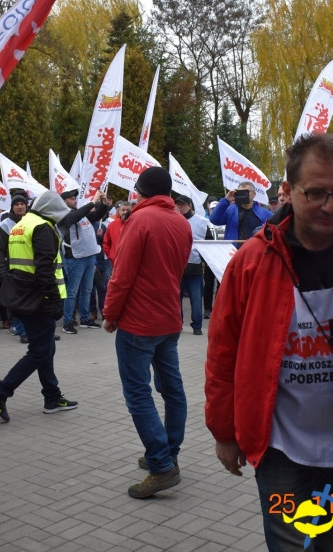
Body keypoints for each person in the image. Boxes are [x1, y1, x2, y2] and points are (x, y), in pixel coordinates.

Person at [206, 134, 333, 552]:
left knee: (327, 541)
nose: (329, 206)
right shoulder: (252, 261)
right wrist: (225, 432)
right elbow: (223, 353)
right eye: (315, 193)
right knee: (293, 546)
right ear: (287, 191)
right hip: (280, 444)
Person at [103, 167, 192, 499]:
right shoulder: (180, 222)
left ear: (140, 192)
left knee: (138, 394)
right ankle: (170, 454)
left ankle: (161, 464)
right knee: (172, 389)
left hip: (139, 322)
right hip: (169, 318)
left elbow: (121, 276)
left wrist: (110, 314)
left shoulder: (139, 221)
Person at [0, 190, 78, 422]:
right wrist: (54, 301)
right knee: (39, 351)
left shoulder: (22, 224)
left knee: (45, 349)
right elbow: (45, 270)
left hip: (23, 296)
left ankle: (52, 397)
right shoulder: (42, 227)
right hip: (39, 299)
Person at [57, 188, 109, 334]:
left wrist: (103, 203)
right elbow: (75, 217)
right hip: (74, 258)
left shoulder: (80, 213)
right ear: (63, 201)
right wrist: (92, 202)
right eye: (71, 199)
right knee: (72, 292)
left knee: (86, 290)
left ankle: (85, 319)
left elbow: (98, 214)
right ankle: (67, 322)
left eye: (75, 198)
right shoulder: (63, 214)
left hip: (88, 256)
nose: (74, 200)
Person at [174, 193, 212, 336]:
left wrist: (203, 257)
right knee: (176, 299)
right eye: (178, 204)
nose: (180, 206)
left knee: (196, 300)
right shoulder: (173, 219)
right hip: (177, 267)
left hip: (194, 267)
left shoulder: (202, 221)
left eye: (183, 204)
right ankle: (178, 324)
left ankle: (197, 326)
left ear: (189, 206)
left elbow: (210, 240)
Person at [0, 192, 29, 342]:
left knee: (31, 303)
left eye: (22, 204)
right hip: (12, 272)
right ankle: (22, 332)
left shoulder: (32, 222)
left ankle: (35, 331)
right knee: (17, 304)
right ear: (12, 207)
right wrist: (2, 272)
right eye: (17, 204)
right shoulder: (5, 225)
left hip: (30, 271)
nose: (20, 207)